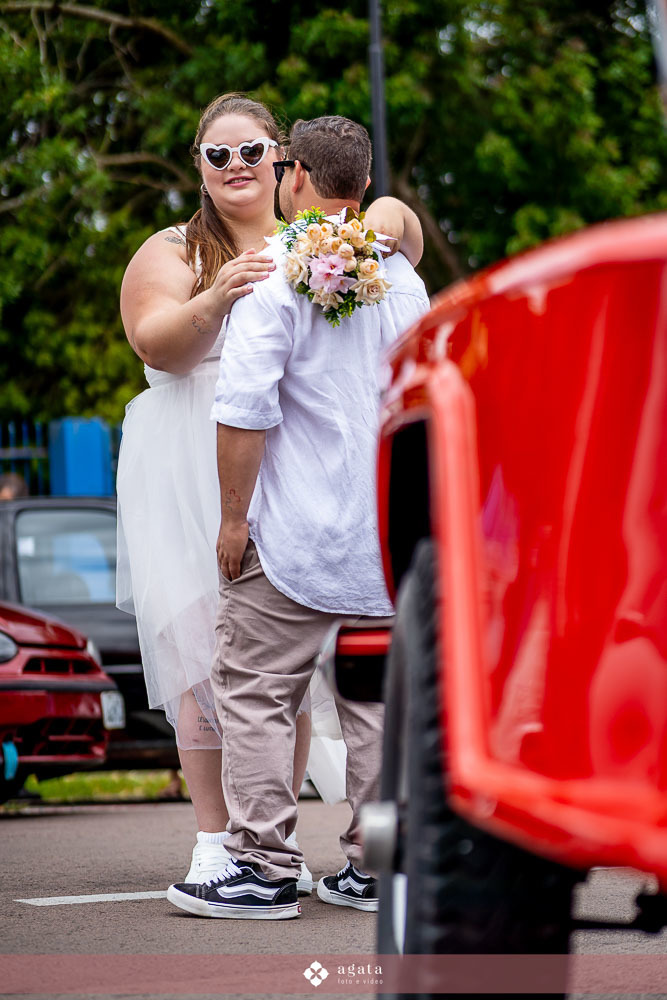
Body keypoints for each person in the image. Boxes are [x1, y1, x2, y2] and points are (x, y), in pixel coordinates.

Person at [115, 93, 424, 889]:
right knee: (238, 671)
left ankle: (264, 859)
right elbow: (154, 340)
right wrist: (220, 294)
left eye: (250, 152)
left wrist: (381, 214)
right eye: (216, 156)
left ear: (286, 167)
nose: (234, 167)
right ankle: (319, 858)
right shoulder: (189, 250)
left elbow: (250, 407)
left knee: (264, 681)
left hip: (287, 484)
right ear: (197, 166)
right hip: (266, 486)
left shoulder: (309, 263)